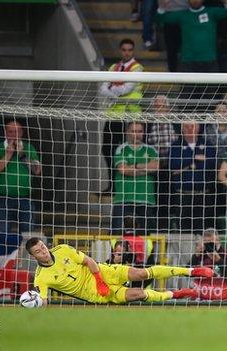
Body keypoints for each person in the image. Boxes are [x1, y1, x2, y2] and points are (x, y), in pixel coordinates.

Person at [25, 238, 215, 305]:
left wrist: (99, 279)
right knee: (139, 294)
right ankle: (175, 294)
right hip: (95, 294)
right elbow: (43, 300)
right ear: (34, 256)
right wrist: (34, 302)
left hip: (103, 272)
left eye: (42, 246)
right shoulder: (41, 277)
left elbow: (89, 261)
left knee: (142, 273)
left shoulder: (62, 249)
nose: (43, 251)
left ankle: (192, 271)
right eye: (38, 251)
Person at [99, 38, 144, 195]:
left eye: (129, 50)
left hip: (130, 117)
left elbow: (127, 88)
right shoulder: (114, 67)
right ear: (120, 50)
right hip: (113, 116)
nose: (126, 52)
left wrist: (113, 90)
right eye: (124, 49)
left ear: (133, 51)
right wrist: (115, 91)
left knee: (127, 152)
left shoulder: (137, 68)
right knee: (107, 150)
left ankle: (126, 185)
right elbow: (102, 87)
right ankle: (113, 185)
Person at [156, 0, 227, 73]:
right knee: (187, 88)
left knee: (209, 88)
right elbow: (160, 18)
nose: (195, 1)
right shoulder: (182, 15)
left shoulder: (211, 12)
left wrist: (226, 2)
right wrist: (162, 6)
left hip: (209, 61)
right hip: (188, 62)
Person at [0, 120, 41, 234]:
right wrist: (8, 154)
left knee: (27, 233)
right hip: (3, 199)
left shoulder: (29, 148)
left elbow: (37, 170)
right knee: (2, 233)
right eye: (11, 132)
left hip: (25, 198)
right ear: (6, 133)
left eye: (17, 131)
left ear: (22, 132)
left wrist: (22, 155)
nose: (14, 135)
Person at [111, 122, 159, 234]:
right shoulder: (121, 149)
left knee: (145, 237)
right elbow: (123, 170)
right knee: (118, 235)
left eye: (139, 131)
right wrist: (144, 168)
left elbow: (155, 167)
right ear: (128, 132)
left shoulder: (151, 150)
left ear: (144, 133)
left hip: (146, 199)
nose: (136, 134)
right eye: (133, 131)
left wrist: (135, 166)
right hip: (124, 199)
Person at [168, 121, 216, 232]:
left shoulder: (208, 145)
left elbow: (211, 166)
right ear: (182, 129)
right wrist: (193, 160)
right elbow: (173, 166)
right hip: (183, 196)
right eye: (187, 126)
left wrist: (184, 167)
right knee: (183, 231)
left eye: (193, 126)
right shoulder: (175, 146)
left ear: (199, 128)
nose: (190, 129)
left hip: (203, 196)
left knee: (203, 230)